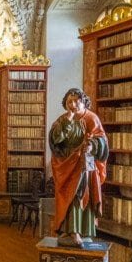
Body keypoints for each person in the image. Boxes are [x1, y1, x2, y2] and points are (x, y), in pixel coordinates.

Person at [48, 88, 109, 247]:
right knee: (71, 195)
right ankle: (71, 231)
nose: (73, 104)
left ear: (83, 101)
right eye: (69, 102)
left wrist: (92, 146)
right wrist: (68, 121)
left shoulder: (91, 118)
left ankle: (83, 230)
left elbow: (102, 141)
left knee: (84, 195)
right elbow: (55, 141)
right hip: (67, 164)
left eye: (76, 100)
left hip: (85, 163)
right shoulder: (62, 119)